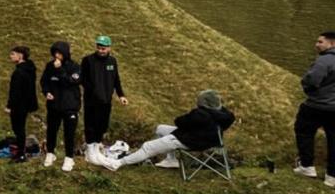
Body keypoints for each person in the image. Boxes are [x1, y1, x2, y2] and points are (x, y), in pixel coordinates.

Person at [103, 90, 234, 170]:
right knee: (160, 129)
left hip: (190, 141)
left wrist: (189, 121)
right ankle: (171, 160)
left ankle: (117, 163)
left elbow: (179, 122)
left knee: (148, 147)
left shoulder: (200, 114)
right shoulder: (225, 115)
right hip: (210, 140)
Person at [293, 31, 335, 186]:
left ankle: (307, 166)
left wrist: (310, 91)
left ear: (332, 44)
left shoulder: (324, 61)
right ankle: (332, 177)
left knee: (303, 131)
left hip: (316, 105)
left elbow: (311, 80)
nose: (316, 45)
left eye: (320, 42)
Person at [81, 35, 130, 165]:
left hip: (106, 99)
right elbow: (83, 79)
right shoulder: (88, 60)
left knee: (102, 125)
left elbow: (116, 80)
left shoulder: (112, 61)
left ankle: (97, 148)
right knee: (90, 124)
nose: (101, 50)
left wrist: (121, 95)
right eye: (99, 48)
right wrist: (93, 91)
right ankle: (89, 150)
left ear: (109, 48)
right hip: (92, 100)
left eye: (104, 48)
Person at [40, 40, 82, 172]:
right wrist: (46, 92)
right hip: (54, 105)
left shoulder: (75, 67)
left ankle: (69, 158)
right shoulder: (49, 66)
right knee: (51, 130)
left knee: (69, 133)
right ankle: (50, 153)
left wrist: (59, 69)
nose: (57, 56)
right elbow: (44, 81)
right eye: (55, 53)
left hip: (70, 106)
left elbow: (70, 81)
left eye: (59, 53)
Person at [4, 45, 39, 163]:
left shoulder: (19, 72)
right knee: (20, 129)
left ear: (20, 55)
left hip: (19, 106)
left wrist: (9, 106)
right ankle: (21, 152)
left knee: (18, 129)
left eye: (13, 54)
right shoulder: (30, 69)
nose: (10, 56)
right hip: (27, 104)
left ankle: (21, 154)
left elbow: (15, 92)